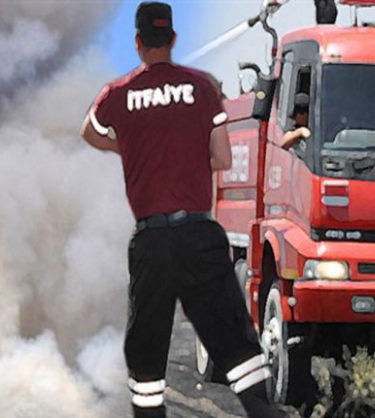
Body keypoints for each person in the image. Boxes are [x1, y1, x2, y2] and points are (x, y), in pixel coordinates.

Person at [80, 3, 293, 418]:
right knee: (232, 335)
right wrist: (188, 158)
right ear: (173, 39)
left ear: (138, 42)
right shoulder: (202, 88)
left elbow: (88, 131)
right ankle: (263, 411)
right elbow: (223, 158)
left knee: (147, 345)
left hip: (152, 240)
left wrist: (127, 149)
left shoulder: (118, 93)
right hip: (199, 236)